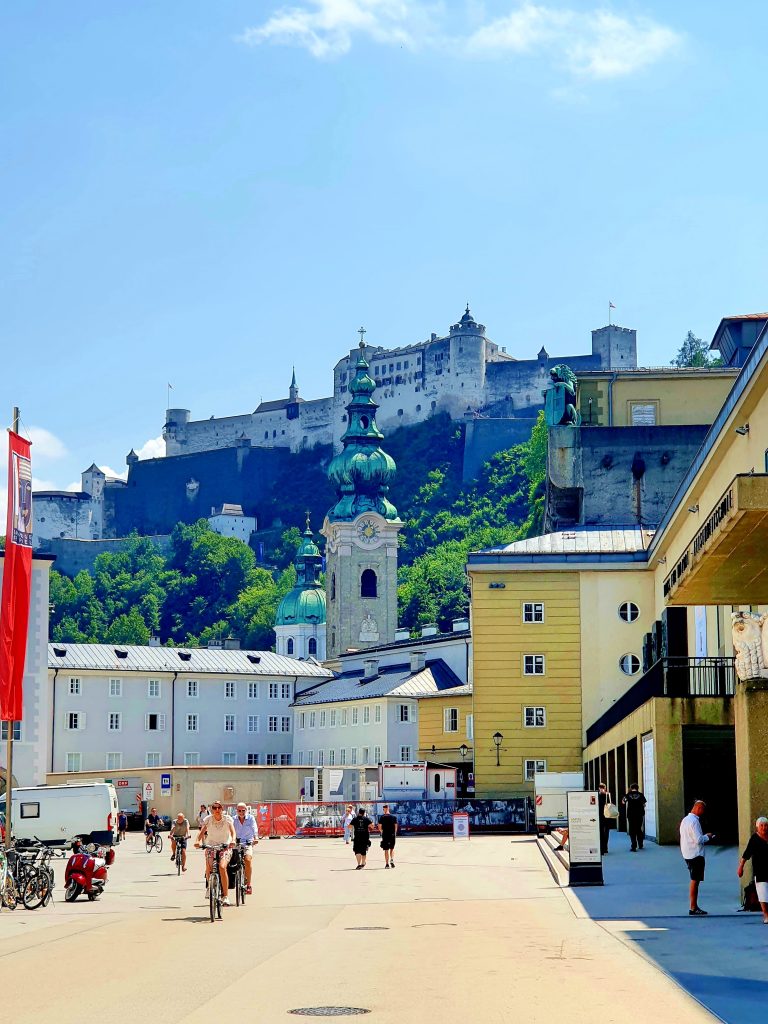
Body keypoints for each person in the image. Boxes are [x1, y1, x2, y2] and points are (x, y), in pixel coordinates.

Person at [195, 801, 236, 906]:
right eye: (214, 808)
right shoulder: (208, 820)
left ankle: (225, 896)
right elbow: (202, 832)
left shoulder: (227, 819)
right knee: (208, 866)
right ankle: (209, 887)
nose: (217, 810)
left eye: (219, 808)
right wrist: (197, 841)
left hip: (224, 846)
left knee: (222, 867)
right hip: (211, 846)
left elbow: (232, 832)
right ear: (212, 809)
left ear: (222, 809)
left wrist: (233, 840)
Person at [680, 799, 715, 915]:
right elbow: (699, 840)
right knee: (695, 881)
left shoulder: (685, 820)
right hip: (695, 854)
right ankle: (693, 907)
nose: (703, 812)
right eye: (703, 810)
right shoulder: (694, 822)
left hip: (687, 853)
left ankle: (694, 906)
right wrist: (708, 836)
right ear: (698, 808)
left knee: (695, 879)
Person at [737, 816, 768, 923]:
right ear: (757, 827)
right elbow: (746, 855)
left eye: (766, 825)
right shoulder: (754, 839)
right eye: (762, 826)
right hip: (760, 870)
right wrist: (741, 867)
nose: (764, 828)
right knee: (763, 893)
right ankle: (766, 915)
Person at [232, 801, 259, 895]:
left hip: (248, 842)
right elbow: (230, 830)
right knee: (230, 863)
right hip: (236, 843)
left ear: (246, 810)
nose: (241, 812)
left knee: (247, 860)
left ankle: (248, 885)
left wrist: (256, 838)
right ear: (236, 811)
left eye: (243, 810)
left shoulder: (251, 818)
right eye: (239, 810)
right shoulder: (233, 819)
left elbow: (254, 828)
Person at [622, 783, 647, 852]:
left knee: (632, 830)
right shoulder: (641, 795)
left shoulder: (628, 794)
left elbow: (623, 802)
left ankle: (634, 846)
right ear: (637, 788)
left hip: (631, 815)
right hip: (639, 814)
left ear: (631, 788)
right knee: (639, 829)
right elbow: (644, 804)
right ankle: (640, 844)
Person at [377, 804, 398, 868]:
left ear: (384, 809)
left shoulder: (382, 817)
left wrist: (382, 831)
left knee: (386, 849)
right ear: (388, 809)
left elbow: (379, 826)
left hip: (385, 834)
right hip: (392, 834)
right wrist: (394, 833)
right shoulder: (394, 817)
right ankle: (392, 859)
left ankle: (387, 864)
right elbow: (395, 827)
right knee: (392, 848)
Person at [598, 783, 612, 855]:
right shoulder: (608, 795)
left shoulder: (598, 795)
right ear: (605, 788)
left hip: (600, 816)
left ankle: (602, 849)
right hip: (607, 816)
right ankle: (605, 848)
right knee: (606, 833)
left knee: (601, 833)